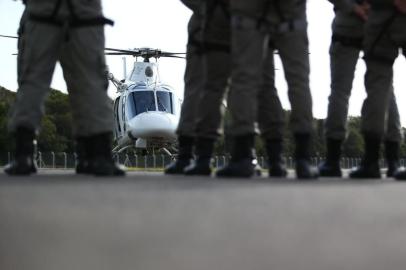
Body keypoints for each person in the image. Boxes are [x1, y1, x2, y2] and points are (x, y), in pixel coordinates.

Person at [5, 0, 125, 176]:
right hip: (85, 13)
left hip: (41, 12)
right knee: (92, 83)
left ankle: (24, 155)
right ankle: (97, 155)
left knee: (32, 81)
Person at [216, 0, 319, 178]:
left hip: (249, 10)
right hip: (291, 11)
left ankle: (243, 156)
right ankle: (300, 159)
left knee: (244, 81)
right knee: (298, 81)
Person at [319, 0, 402, 178]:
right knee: (384, 89)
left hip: (347, 24)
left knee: (340, 91)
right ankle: (392, 159)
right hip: (383, 19)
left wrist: (353, 7)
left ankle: (333, 159)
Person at [350, 0, 406, 179]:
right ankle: (391, 159)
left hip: (381, 15)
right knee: (380, 87)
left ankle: (372, 160)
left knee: (378, 85)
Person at [164, 0, 205, 174]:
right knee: (242, 85)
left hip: (204, 24)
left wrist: (205, 9)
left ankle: (188, 156)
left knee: (195, 87)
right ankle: (246, 155)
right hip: (244, 24)